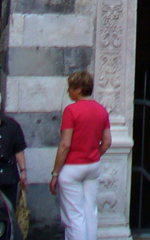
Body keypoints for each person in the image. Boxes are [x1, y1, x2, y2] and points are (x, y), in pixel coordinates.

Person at [49, 72, 111, 240]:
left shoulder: (71, 110)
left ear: (78, 89)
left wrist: (55, 173)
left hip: (72, 167)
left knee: (74, 217)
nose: (68, 91)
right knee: (90, 212)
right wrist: (94, 155)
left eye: (70, 87)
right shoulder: (101, 110)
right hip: (93, 166)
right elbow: (107, 142)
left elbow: (65, 144)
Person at [0, 89, 27, 208]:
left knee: (6, 208)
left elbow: (18, 150)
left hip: (6, 177)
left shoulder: (11, 125)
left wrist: (23, 171)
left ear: (0, 106)